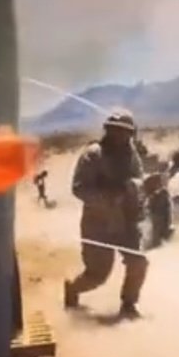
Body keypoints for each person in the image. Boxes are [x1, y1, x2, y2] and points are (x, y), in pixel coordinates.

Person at [64, 109, 149, 319]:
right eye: (115, 130)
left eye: (124, 131)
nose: (119, 135)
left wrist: (135, 188)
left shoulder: (131, 155)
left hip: (125, 221)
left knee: (138, 262)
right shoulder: (93, 154)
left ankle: (128, 305)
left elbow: (139, 179)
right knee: (98, 275)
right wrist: (107, 197)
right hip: (98, 224)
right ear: (108, 130)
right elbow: (79, 188)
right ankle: (73, 288)